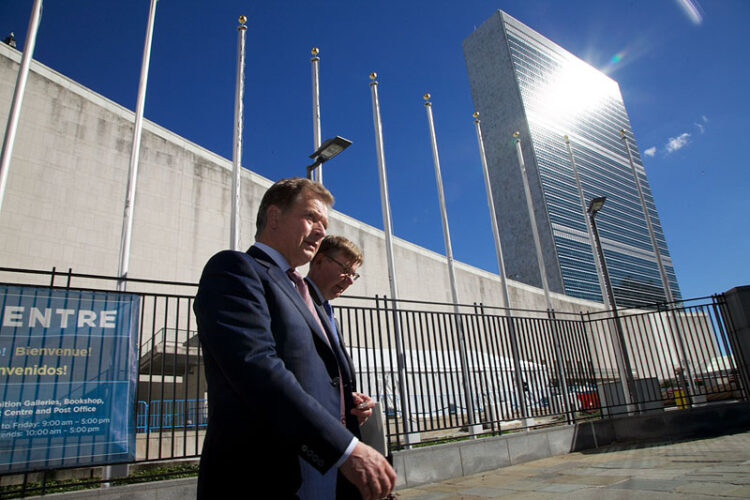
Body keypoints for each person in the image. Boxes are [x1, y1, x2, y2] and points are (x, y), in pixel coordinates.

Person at [193, 178, 396, 500]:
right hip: (263, 478)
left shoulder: (308, 295)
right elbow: (256, 366)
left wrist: (347, 403)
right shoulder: (235, 269)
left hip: (324, 478)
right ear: (274, 217)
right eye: (311, 217)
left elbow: (317, 375)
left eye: (324, 224)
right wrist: (343, 447)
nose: (320, 231)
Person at [306, 236, 374, 429]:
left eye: (354, 274)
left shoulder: (329, 314)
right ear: (318, 261)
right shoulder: (294, 302)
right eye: (345, 270)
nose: (350, 281)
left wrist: (348, 400)